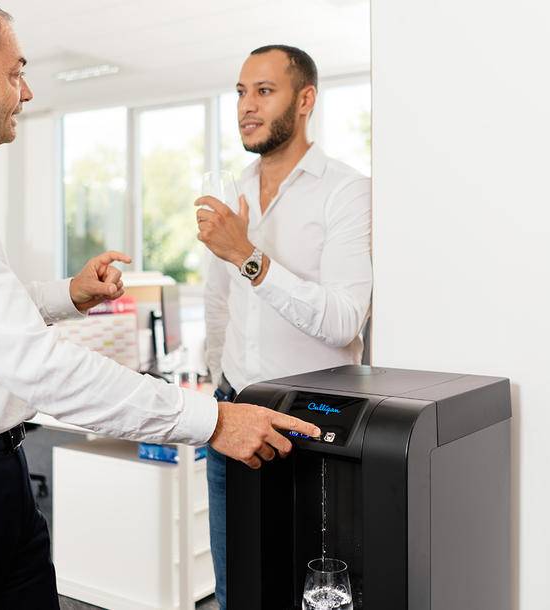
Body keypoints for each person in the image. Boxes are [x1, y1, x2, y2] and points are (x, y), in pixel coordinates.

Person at [0, 3, 321, 608]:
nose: (27, 91)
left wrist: (68, 294)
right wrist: (212, 421)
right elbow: (38, 365)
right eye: (15, 73)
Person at [196, 45, 373, 609]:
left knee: (313, 594)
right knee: (238, 591)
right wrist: (217, 382)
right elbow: (218, 301)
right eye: (241, 92)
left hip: (311, 426)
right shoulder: (235, 192)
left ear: (305, 100)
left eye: (264, 91)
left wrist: (249, 256)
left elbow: (345, 318)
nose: (247, 106)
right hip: (234, 414)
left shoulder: (347, 192)